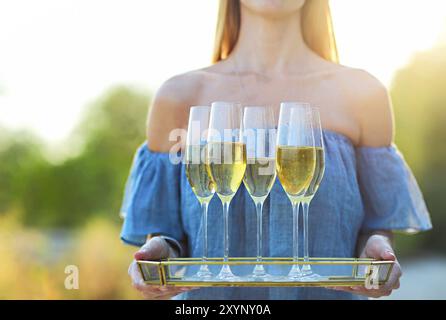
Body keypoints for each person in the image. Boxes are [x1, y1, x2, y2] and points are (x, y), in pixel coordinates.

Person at [121, 0, 431, 300]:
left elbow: (375, 227)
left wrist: (376, 249)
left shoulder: (364, 94)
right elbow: (168, 237)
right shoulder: (178, 98)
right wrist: (160, 255)